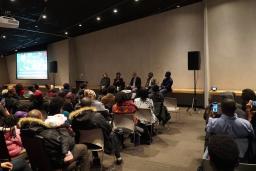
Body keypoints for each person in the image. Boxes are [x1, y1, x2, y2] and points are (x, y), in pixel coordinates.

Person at [19, 109, 90, 171]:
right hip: (56, 162)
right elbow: (69, 144)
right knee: (83, 147)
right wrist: (64, 129)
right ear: (41, 118)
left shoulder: (24, 132)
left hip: (38, 163)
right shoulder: (48, 133)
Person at [69, 98, 123, 165]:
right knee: (112, 134)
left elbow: (74, 131)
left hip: (82, 144)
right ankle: (118, 157)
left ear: (80, 105)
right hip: (99, 143)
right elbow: (108, 128)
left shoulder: (75, 118)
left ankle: (96, 158)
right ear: (91, 105)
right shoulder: (97, 116)